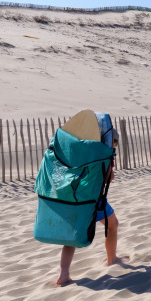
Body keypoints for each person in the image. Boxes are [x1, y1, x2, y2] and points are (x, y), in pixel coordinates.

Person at [56, 115, 123, 286]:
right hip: (94, 199)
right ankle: (112, 259)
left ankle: (63, 274)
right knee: (112, 224)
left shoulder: (81, 149)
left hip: (75, 197)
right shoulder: (103, 155)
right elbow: (109, 178)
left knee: (71, 237)